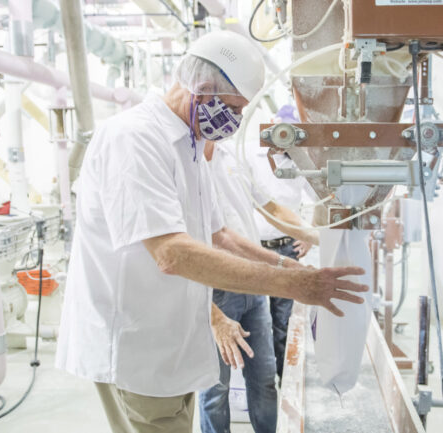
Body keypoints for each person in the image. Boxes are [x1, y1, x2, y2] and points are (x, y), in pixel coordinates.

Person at [55, 30, 368, 433]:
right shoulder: (133, 139)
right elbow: (172, 253)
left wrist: (288, 268)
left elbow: (220, 234)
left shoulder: (188, 144)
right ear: (202, 90)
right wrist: (293, 287)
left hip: (171, 339)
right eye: (233, 109)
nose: (235, 124)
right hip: (136, 345)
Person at [199, 139, 318, 433]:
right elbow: (220, 238)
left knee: (264, 379)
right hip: (215, 287)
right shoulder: (185, 159)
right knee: (214, 389)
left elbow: (272, 209)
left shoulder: (235, 156)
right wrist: (212, 314)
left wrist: (318, 235)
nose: (235, 116)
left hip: (253, 284)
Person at [252, 104, 316, 380]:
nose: (282, 138)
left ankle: (285, 383)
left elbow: (321, 196)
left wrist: (310, 235)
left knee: (284, 323)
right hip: (252, 250)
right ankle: (259, 382)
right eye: (279, 130)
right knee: (255, 322)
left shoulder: (300, 163)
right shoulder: (250, 156)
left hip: (287, 249)